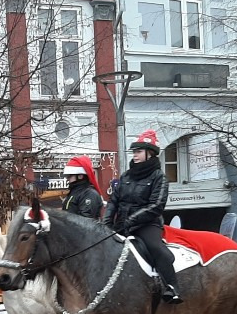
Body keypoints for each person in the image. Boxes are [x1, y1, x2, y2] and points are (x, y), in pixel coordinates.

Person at [104, 130, 182, 303]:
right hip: (122, 224)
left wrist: (131, 221)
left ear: (150, 153)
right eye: (134, 152)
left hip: (147, 225)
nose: (135, 155)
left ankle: (172, 287)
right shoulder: (126, 176)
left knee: (156, 248)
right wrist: (107, 222)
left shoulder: (159, 177)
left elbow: (156, 206)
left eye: (138, 151)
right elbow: (113, 201)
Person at [61, 155, 103, 220]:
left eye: (69, 176)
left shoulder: (89, 194)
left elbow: (86, 221)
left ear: (80, 176)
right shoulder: (74, 192)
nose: (67, 178)